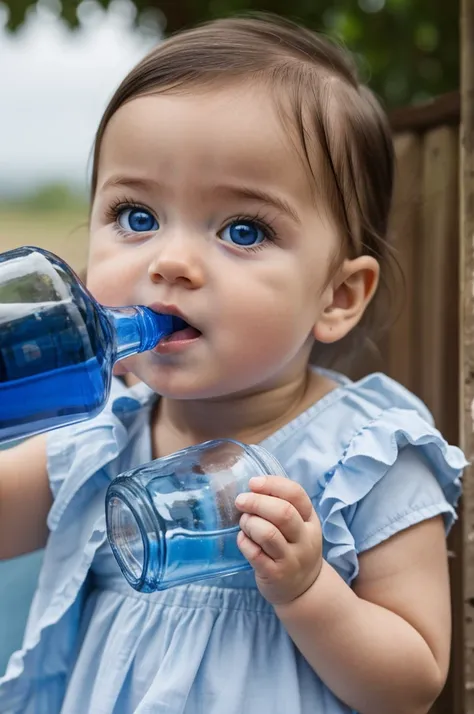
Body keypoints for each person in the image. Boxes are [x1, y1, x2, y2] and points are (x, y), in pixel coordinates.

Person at [0, 13, 466, 714]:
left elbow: (413, 680)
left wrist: (308, 592)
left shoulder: (366, 453)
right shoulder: (100, 435)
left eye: (242, 230)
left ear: (337, 296)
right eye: (135, 216)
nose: (171, 262)